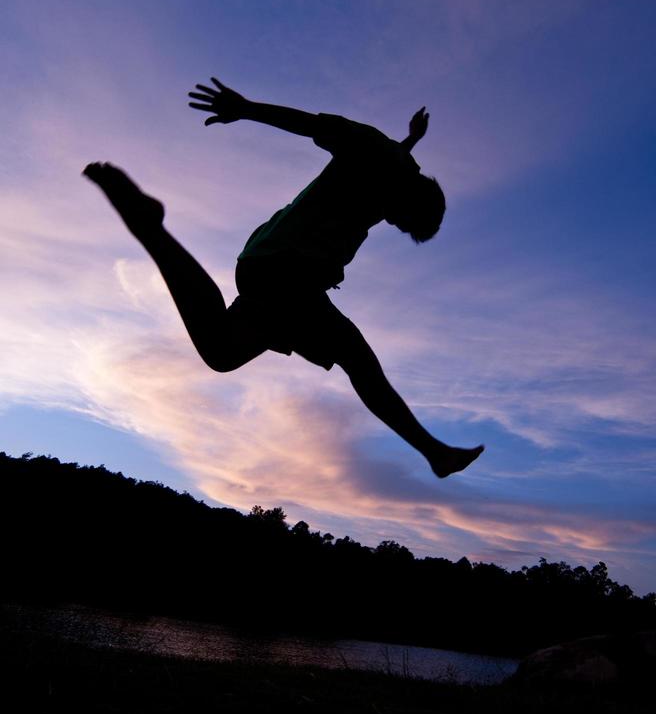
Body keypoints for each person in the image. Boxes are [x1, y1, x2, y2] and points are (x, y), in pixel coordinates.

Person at [84, 77, 484, 479]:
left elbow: (396, 160)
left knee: (222, 351)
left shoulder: (398, 168)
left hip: (266, 264)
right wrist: (246, 108)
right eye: (399, 218)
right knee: (358, 361)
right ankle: (435, 453)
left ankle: (151, 230)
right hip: (290, 273)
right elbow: (311, 124)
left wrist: (412, 138)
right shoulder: (367, 145)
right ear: (411, 196)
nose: (389, 220)